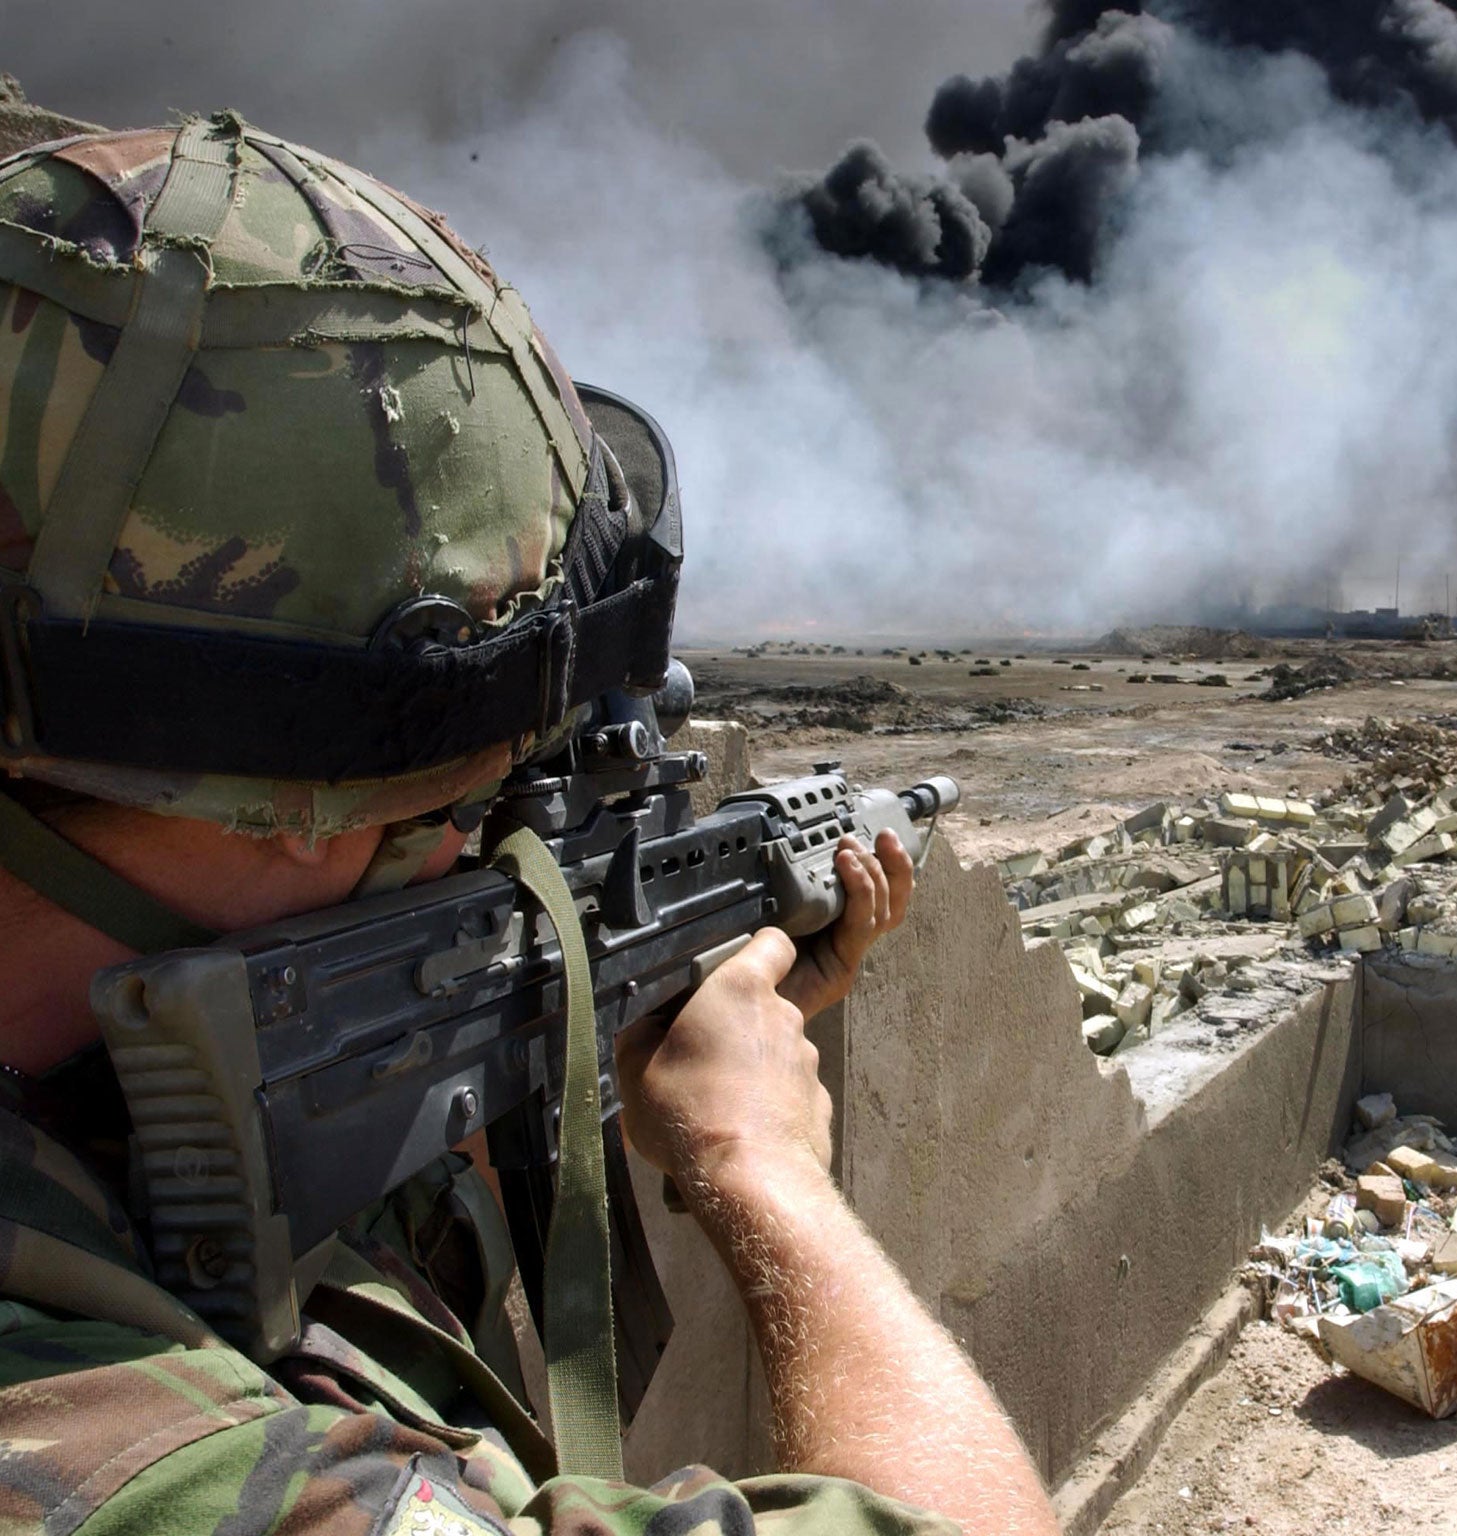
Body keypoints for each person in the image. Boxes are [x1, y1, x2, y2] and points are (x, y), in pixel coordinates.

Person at [0, 114, 1059, 1536]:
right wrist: (757, 1160)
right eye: (462, 809)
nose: (482, 857)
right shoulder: (99, 1440)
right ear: (293, 804)